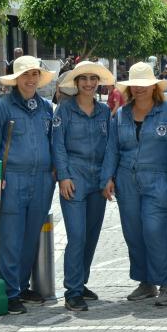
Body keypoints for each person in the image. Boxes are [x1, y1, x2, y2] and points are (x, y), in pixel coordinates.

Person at [99, 63, 167, 307]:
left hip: (159, 181)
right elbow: (112, 149)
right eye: (136, 84)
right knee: (133, 233)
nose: (140, 88)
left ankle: (166, 284)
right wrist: (107, 178)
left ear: (154, 86)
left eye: (145, 84)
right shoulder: (121, 114)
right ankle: (146, 283)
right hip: (126, 181)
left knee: (154, 231)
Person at [0, 56, 56, 314]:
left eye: (35, 74)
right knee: (11, 238)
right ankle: (9, 292)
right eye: (26, 75)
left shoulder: (46, 107)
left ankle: (22, 285)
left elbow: (54, 142)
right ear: (16, 79)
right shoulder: (2, 107)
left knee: (30, 237)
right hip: (12, 179)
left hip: (43, 180)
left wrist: (58, 171)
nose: (31, 79)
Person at [51, 62, 114, 311]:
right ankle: (72, 291)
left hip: (98, 181)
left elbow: (110, 147)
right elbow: (58, 146)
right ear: (76, 83)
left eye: (93, 79)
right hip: (74, 180)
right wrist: (64, 177)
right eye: (83, 79)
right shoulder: (63, 111)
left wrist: (108, 178)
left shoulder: (104, 112)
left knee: (91, 236)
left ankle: (82, 281)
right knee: (76, 236)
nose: (89, 83)